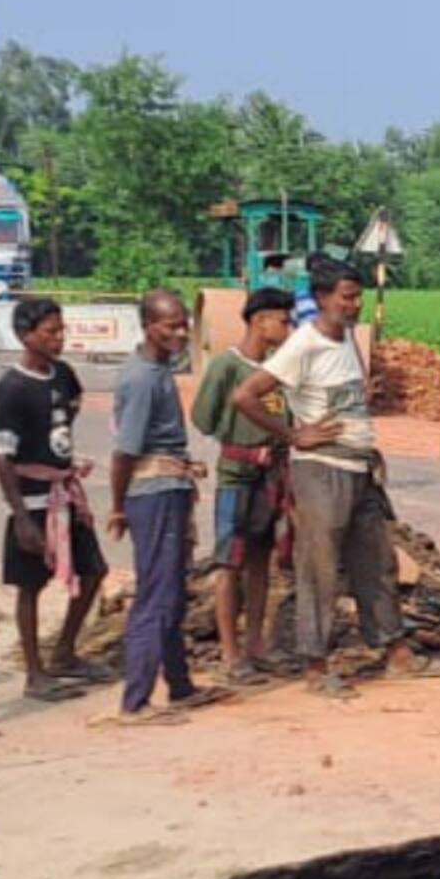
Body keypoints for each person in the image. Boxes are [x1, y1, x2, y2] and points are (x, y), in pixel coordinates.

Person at [231, 257, 440, 697]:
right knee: (320, 568)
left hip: (359, 467)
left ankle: (394, 650)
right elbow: (245, 396)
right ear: (322, 298)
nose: (355, 305)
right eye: (347, 298)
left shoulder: (346, 337)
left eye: (358, 297)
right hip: (321, 470)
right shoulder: (303, 346)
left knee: (378, 561)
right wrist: (294, 434)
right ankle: (315, 665)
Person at [109, 290, 229, 722]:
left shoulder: (158, 370)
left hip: (170, 487)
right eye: (170, 325)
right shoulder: (142, 379)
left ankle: (180, 685)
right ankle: (135, 700)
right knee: (156, 595)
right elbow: (125, 451)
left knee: (172, 591)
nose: (180, 333)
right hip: (154, 491)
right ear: (148, 326)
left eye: (183, 324)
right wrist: (118, 506)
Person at [0, 296, 111, 703]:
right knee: (30, 586)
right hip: (33, 499)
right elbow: (3, 456)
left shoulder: (63, 376)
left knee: (93, 572)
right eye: (50, 332)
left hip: (65, 493)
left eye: (61, 331)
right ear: (25, 336)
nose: (59, 339)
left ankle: (64, 651)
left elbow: (69, 411)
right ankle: (34, 672)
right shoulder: (11, 389)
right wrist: (22, 517)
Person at [191, 286, 296, 683]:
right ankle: (230, 652)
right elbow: (203, 418)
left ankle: (255, 644)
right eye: (283, 321)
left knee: (259, 560)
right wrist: (240, 441)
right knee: (229, 563)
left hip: (270, 477)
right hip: (238, 476)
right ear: (259, 321)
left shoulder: (275, 369)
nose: (288, 329)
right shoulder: (226, 367)